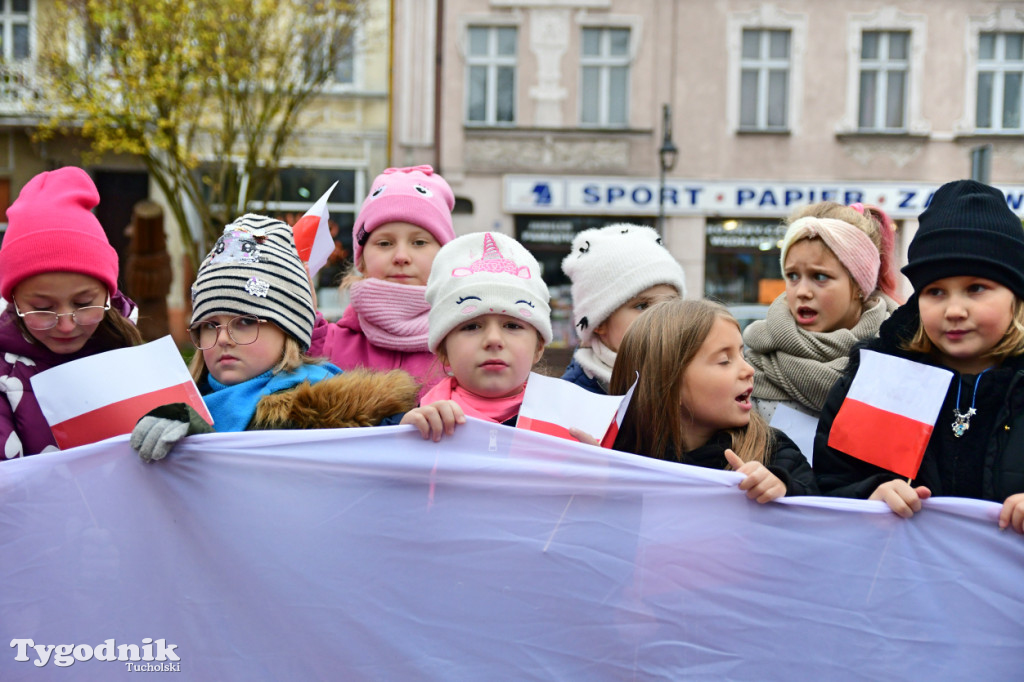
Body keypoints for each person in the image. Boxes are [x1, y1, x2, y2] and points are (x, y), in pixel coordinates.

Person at [814, 179, 1024, 533]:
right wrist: (869, 494)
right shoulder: (880, 379)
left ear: (1016, 295)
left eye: (976, 288)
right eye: (935, 291)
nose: (954, 310)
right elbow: (829, 483)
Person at [131, 214, 418, 462]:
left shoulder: (337, 414)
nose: (222, 339)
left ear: (289, 330)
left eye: (245, 322)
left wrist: (413, 427)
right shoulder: (173, 408)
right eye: (209, 325)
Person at [608, 298, 817, 502]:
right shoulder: (622, 457)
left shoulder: (774, 453)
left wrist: (784, 491)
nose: (749, 370)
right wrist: (602, 477)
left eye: (742, 355)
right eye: (725, 361)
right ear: (668, 384)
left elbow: (821, 520)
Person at [0, 166, 143, 459]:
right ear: (14, 301)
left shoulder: (134, 357)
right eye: (42, 308)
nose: (66, 325)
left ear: (108, 294)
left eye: (83, 304)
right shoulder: (5, 375)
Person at [306, 166, 456, 394]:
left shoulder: (466, 347)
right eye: (385, 243)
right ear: (362, 260)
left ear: (444, 255)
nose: (401, 257)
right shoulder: (320, 344)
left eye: (419, 242)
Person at [743, 212, 897, 423]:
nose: (802, 292)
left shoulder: (899, 361)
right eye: (792, 276)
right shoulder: (752, 367)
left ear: (859, 287)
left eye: (820, 277)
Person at [400, 232, 551, 439]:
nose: (494, 340)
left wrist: (598, 466)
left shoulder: (569, 423)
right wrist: (402, 441)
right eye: (471, 327)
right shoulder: (418, 425)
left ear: (539, 347)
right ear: (442, 349)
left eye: (512, 325)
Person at [559, 223, 686, 394]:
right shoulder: (569, 402)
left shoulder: (693, 384)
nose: (661, 316)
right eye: (642, 306)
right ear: (599, 322)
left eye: (671, 305)